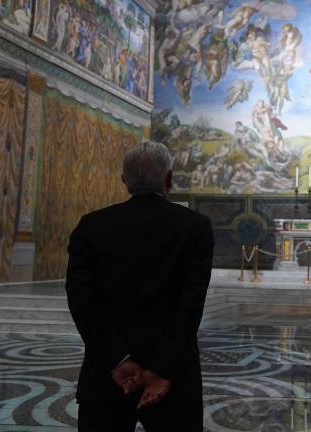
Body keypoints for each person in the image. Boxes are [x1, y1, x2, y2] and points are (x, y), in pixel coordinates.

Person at [66, 141, 214, 431]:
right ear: (169, 179)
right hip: (173, 378)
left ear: (124, 181)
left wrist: (117, 359)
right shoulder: (195, 226)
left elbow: (82, 301)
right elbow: (190, 305)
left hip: (107, 375)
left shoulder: (91, 226)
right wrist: (162, 370)